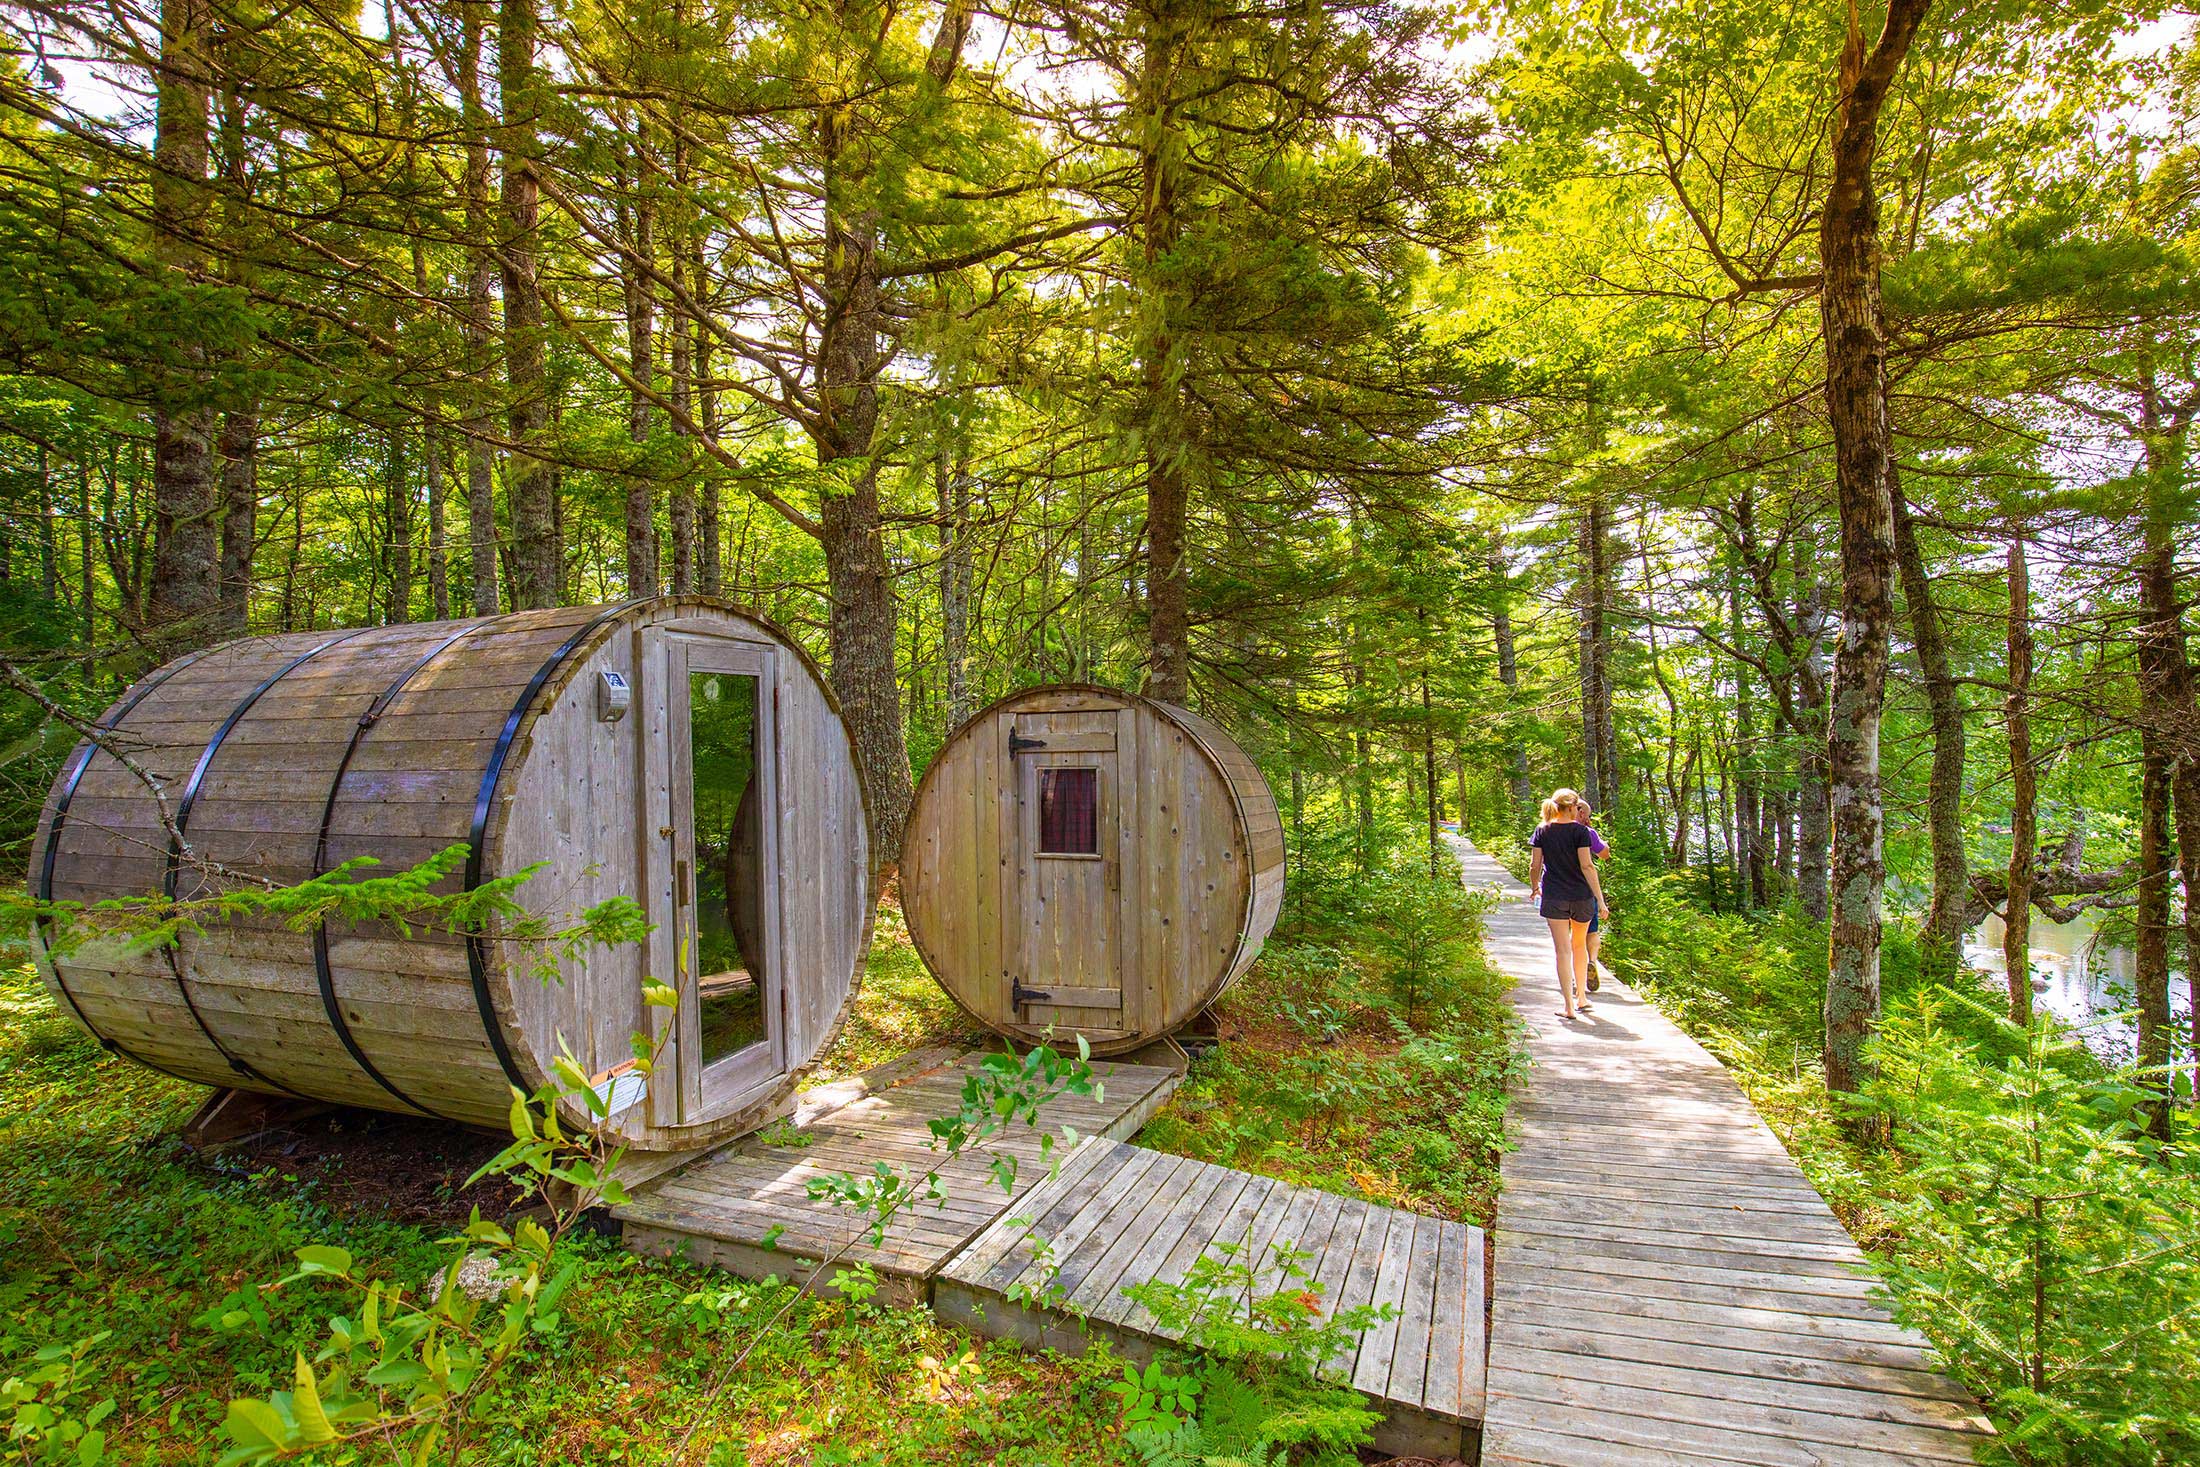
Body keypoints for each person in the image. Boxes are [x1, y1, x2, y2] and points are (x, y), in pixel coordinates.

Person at [1527, 787, 1609, 1022]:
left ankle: (1568, 1006)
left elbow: (1535, 865)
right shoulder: (1581, 832)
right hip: (1582, 896)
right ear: (1573, 807)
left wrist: (1535, 888)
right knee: (1579, 946)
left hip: (1554, 895)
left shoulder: (1542, 831)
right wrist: (1600, 900)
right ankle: (1582, 997)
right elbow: (1587, 866)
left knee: (1562, 950)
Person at [1577, 798, 1611, 992]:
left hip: (1557, 890)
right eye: (1588, 816)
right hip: (1585, 889)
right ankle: (1592, 960)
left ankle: (1574, 972)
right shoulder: (1587, 833)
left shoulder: (1549, 828)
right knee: (1591, 930)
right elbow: (1604, 854)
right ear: (1581, 813)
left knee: (1569, 935)